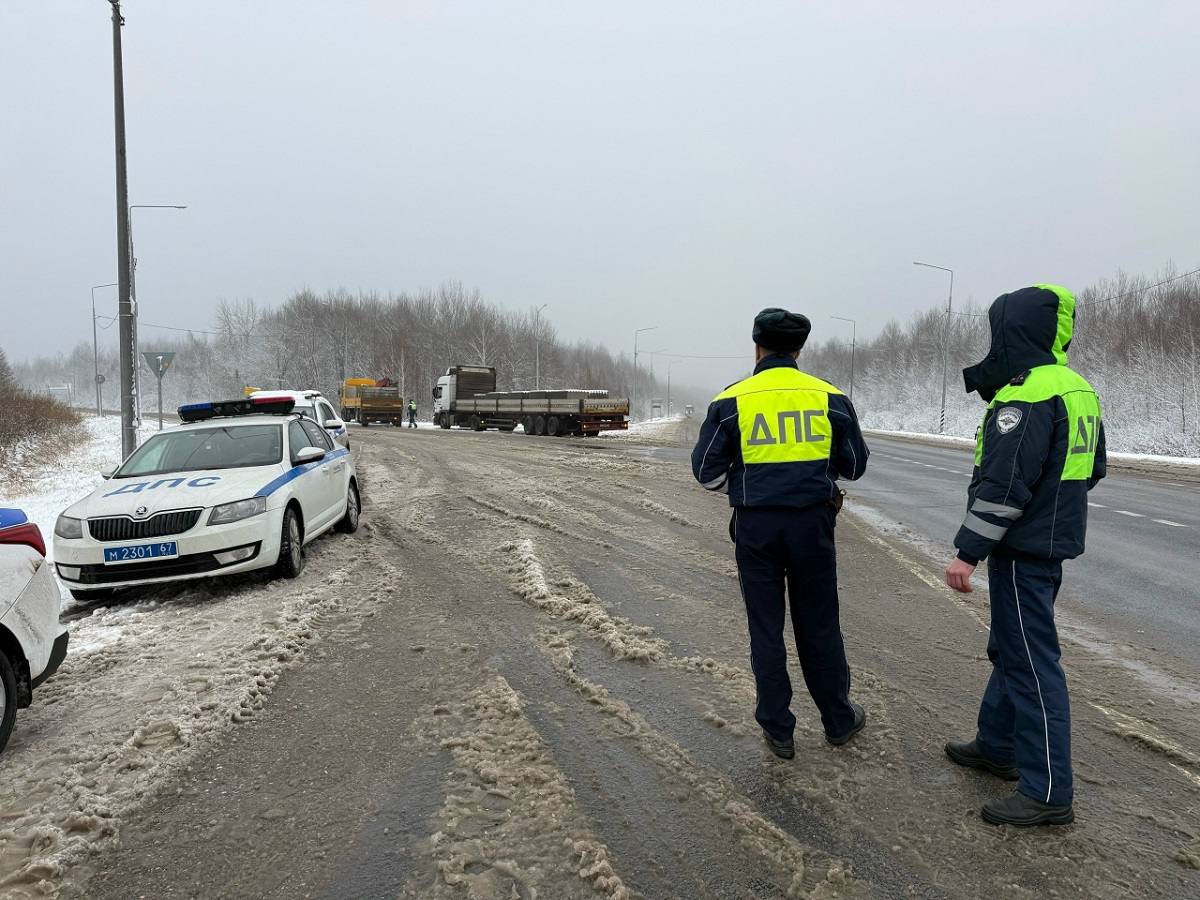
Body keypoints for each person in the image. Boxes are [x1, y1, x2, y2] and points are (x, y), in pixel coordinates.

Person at [943, 284, 1105, 827]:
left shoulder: (1026, 393)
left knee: (1033, 664)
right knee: (1012, 649)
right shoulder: (1077, 388)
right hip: (1049, 544)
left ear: (1012, 330)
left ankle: (1048, 791)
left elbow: (1004, 484)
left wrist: (968, 552)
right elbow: (1093, 469)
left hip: (1022, 549)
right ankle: (996, 746)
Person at [692, 308, 869, 760]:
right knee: (820, 625)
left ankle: (778, 729)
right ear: (799, 350)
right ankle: (838, 720)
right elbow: (854, 466)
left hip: (756, 527)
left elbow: (706, 472)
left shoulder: (731, 399)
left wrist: (748, 485)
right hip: (813, 526)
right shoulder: (830, 397)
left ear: (757, 347)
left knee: (766, 627)